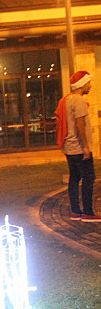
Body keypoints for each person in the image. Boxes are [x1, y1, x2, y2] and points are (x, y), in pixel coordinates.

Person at [56, 70, 101, 223]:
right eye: (88, 83)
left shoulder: (67, 100)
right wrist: (86, 146)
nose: (90, 86)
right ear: (82, 84)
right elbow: (79, 123)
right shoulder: (79, 101)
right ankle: (88, 212)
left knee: (74, 178)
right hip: (79, 147)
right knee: (89, 177)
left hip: (69, 147)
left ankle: (75, 211)